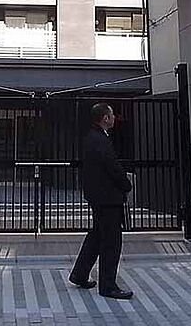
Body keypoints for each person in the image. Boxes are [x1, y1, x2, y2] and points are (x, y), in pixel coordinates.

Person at [69, 103, 133, 299]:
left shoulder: (91, 138)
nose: (114, 118)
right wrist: (126, 184)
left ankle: (80, 273)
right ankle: (108, 286)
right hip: (108, 198)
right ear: (105, 118)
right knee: (111, 242)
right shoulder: (101, 140)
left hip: (98, 197)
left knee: (97, 236)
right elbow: (112, 167)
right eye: (112, 115)